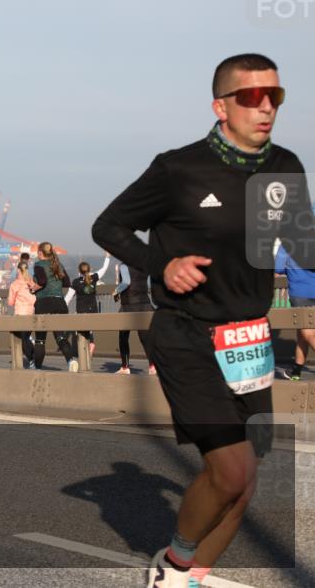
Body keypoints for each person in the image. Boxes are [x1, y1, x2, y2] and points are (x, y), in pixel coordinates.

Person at [92, 53, 313, 588]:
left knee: (244, 481)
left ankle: (192, 576)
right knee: (231, 468)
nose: (265, 108)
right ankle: (172, 567)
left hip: (250, 338)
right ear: (220, 106)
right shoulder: (179, 169)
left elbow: (303, 245)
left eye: (274, 97)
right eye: (250, 97)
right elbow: (109, 227)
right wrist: (161, 264)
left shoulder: (285, 167)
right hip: (187, 334)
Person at [32, 241, 79, 372]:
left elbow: (42, 281)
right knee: (60, 336)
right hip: (59, 303)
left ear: (40, 253)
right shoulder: (58, 264)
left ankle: (38, 368)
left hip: (44, 303)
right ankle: (71, 361)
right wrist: (55, 284)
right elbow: (67, 282)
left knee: (40, 339)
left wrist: (35, 287)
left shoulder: (39, 265)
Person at [275, 245, 315, 380]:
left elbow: (278, 269)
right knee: (302, 334)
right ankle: (296, 371)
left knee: (308, 333)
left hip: (300, 292)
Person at [114, 262, 157, 375]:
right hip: (144, 304)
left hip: (128, 304)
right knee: (145, 338)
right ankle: (153, 366)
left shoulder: (124, 265)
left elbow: (126, 282)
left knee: (123, 336)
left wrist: (116, 291)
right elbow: (150, 282)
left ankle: (125, 366)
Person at [69, 253, 111, 357]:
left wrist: (63, 306)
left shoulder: (76, 282)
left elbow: (68, 297)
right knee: (90, 328)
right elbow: (104, 269)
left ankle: (85, 349)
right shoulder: (94, 277)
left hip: (81, 310)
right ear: (89, 269)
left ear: (79, 271)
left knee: (81, 331)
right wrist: (107, 257)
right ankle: (91, 343)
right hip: (93, 309)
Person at [8, 260, 37, 368]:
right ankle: (32, 356)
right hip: (31, 314)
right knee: (26, 337)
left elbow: (10, 302)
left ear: (18, 270)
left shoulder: (14, 284)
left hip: (20, 314)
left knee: (22, 339)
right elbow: (35, 298)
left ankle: (30, 359)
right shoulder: (31, 283)